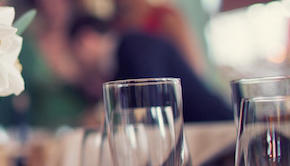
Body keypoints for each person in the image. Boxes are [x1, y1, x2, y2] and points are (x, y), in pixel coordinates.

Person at [69, 14, 231, 124]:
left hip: (213, 126)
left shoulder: (133, 45)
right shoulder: (120, 58)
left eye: (75, 51)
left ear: (86, 39)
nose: (78, 61)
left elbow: (152, 102)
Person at [18, 0, 89, 129]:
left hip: (83, 129)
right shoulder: (27, 47)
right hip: (41, 133)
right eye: (44, 1)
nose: (52, 8)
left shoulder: (86, 40)